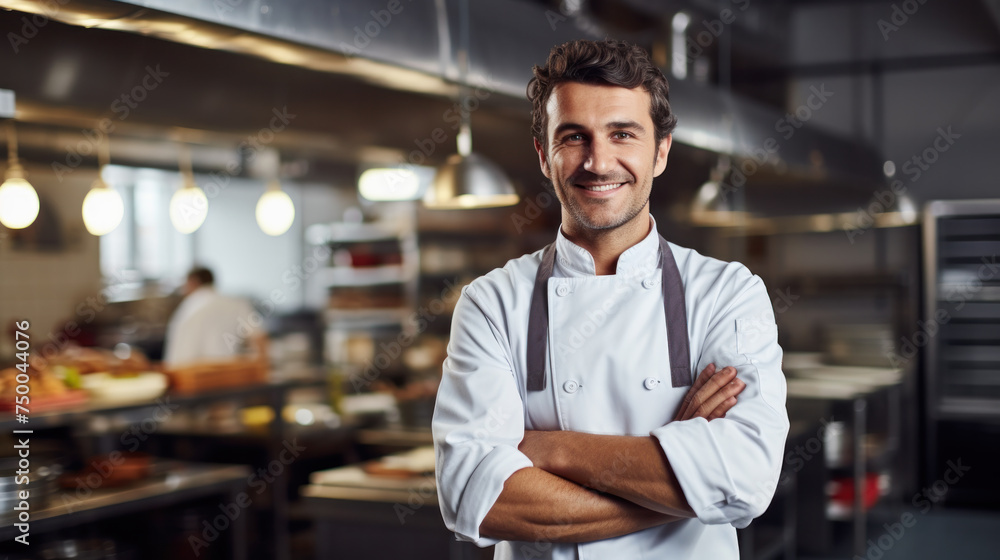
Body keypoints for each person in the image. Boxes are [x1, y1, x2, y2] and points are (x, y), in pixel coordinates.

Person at [432, 40, 789, 559]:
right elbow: (474, 499)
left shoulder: (729, 293)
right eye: (574, 137)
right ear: (543, 155)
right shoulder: (491, 303)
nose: (599, 162)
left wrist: (549, 447)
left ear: (661, 151)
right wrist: (686, 482)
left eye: (623, 134)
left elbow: (746, 480)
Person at [163, 266, 267, 368]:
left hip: (192, 375)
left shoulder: (187, 309)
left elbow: (173, 360)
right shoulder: (236, 303)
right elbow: (259, 338)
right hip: (228, 373)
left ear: (193, 282)